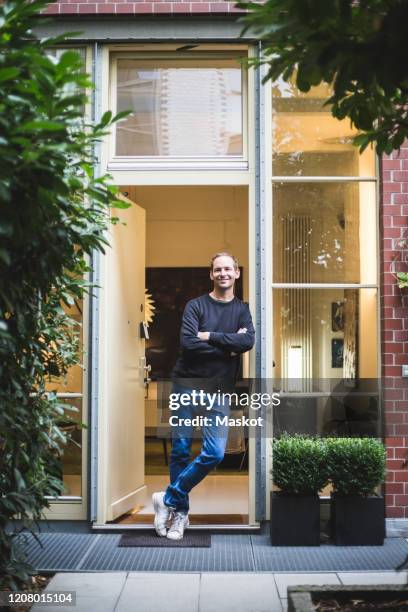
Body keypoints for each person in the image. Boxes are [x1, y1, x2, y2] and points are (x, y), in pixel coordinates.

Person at [152, 252, 255, 540]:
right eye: (217, 269)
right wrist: (229, 345)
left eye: (228, 269)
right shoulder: (195, 306)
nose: (223, 273)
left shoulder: (242, 310)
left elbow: (248, 340)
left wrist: (210, 336)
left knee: (215, 452)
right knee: (181, 449)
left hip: (219, 389)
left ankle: (168, 498)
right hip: (186, 383)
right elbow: (188, 342)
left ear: (236, 273)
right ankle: (178, 515)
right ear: (211, 274)